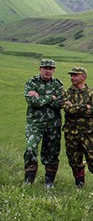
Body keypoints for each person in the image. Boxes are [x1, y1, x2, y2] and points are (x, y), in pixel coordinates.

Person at [62, 66, 93, 188]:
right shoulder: (67, 93)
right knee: (74, 161)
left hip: (89, 133)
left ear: (83, 77)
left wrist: (75, 107)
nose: (72, 77)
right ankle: (79, 186)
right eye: (71, 75)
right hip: (71, 133)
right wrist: (84, 107)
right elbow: (68, 109)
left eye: (75, 75)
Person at [23, 59, 63, 187]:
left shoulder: (58, 85)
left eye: (50, 69)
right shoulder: (32, 83)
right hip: (35, 124)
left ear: (54, 70)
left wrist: (40, 97)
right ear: (40, 68)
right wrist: (51, 97)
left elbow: (59, 104)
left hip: (53, 125)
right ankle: (29, 180)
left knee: (52, 153)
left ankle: (49, 182)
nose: (48, 71)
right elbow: (32, 102)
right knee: (30, 148)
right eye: (45, 68)